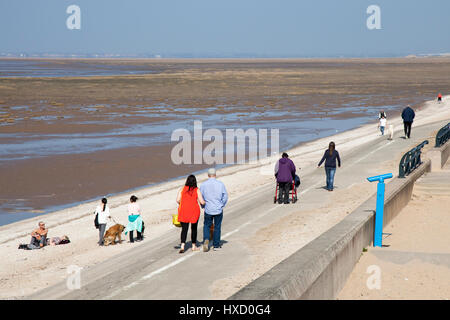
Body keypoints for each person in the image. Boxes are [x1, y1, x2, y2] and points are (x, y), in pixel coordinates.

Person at [200, 168, 228, 252]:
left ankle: (206, 239)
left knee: (207, 225)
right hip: (218, 209)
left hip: (208, 208)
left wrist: (203, 206)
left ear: (208, 175)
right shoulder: (220, 184)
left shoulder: (203, 184)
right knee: (217, 226)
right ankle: (216, 245)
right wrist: (222, 204)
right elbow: (225, 196)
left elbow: (200, 197)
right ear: (215, 175)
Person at [176, 175, 205, 253]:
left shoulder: (182, 189)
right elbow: (201, 201)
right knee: (194, 229)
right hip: (194, 211)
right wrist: (206, 202)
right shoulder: (196, 190)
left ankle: (182, 246)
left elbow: (178, 200)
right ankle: (193, 246)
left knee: (184, 229)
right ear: (195, 181)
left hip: (184, 211)